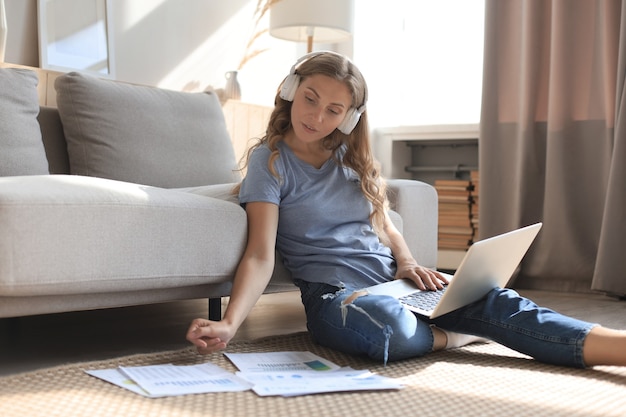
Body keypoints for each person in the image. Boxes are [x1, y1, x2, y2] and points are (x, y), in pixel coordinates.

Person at [187, 51, 626, 368]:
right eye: (310, 98)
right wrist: (228, 323)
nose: (317, 115)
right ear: (289, 92)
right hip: (337, 296)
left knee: (500, 300)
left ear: (349, 117)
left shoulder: (351, 160)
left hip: (393, 284)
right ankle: (463, 333)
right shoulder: (272, 161)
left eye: (333, 109)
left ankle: (617, 347)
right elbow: (261, 254)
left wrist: (409, 262)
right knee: (386, 332)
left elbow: (384, 224)